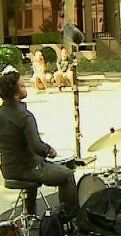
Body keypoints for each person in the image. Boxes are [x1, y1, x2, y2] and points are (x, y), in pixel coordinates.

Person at [0, 65, 78, 219]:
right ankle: (68, 220)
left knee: (36, 165)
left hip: (8, 170)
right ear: (16, 95)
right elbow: (37, 147)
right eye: (22, 86)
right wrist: (49, 150)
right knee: (67, 175)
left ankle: (30, 214)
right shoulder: (25, 117)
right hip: (27, 169)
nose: (25, 87)